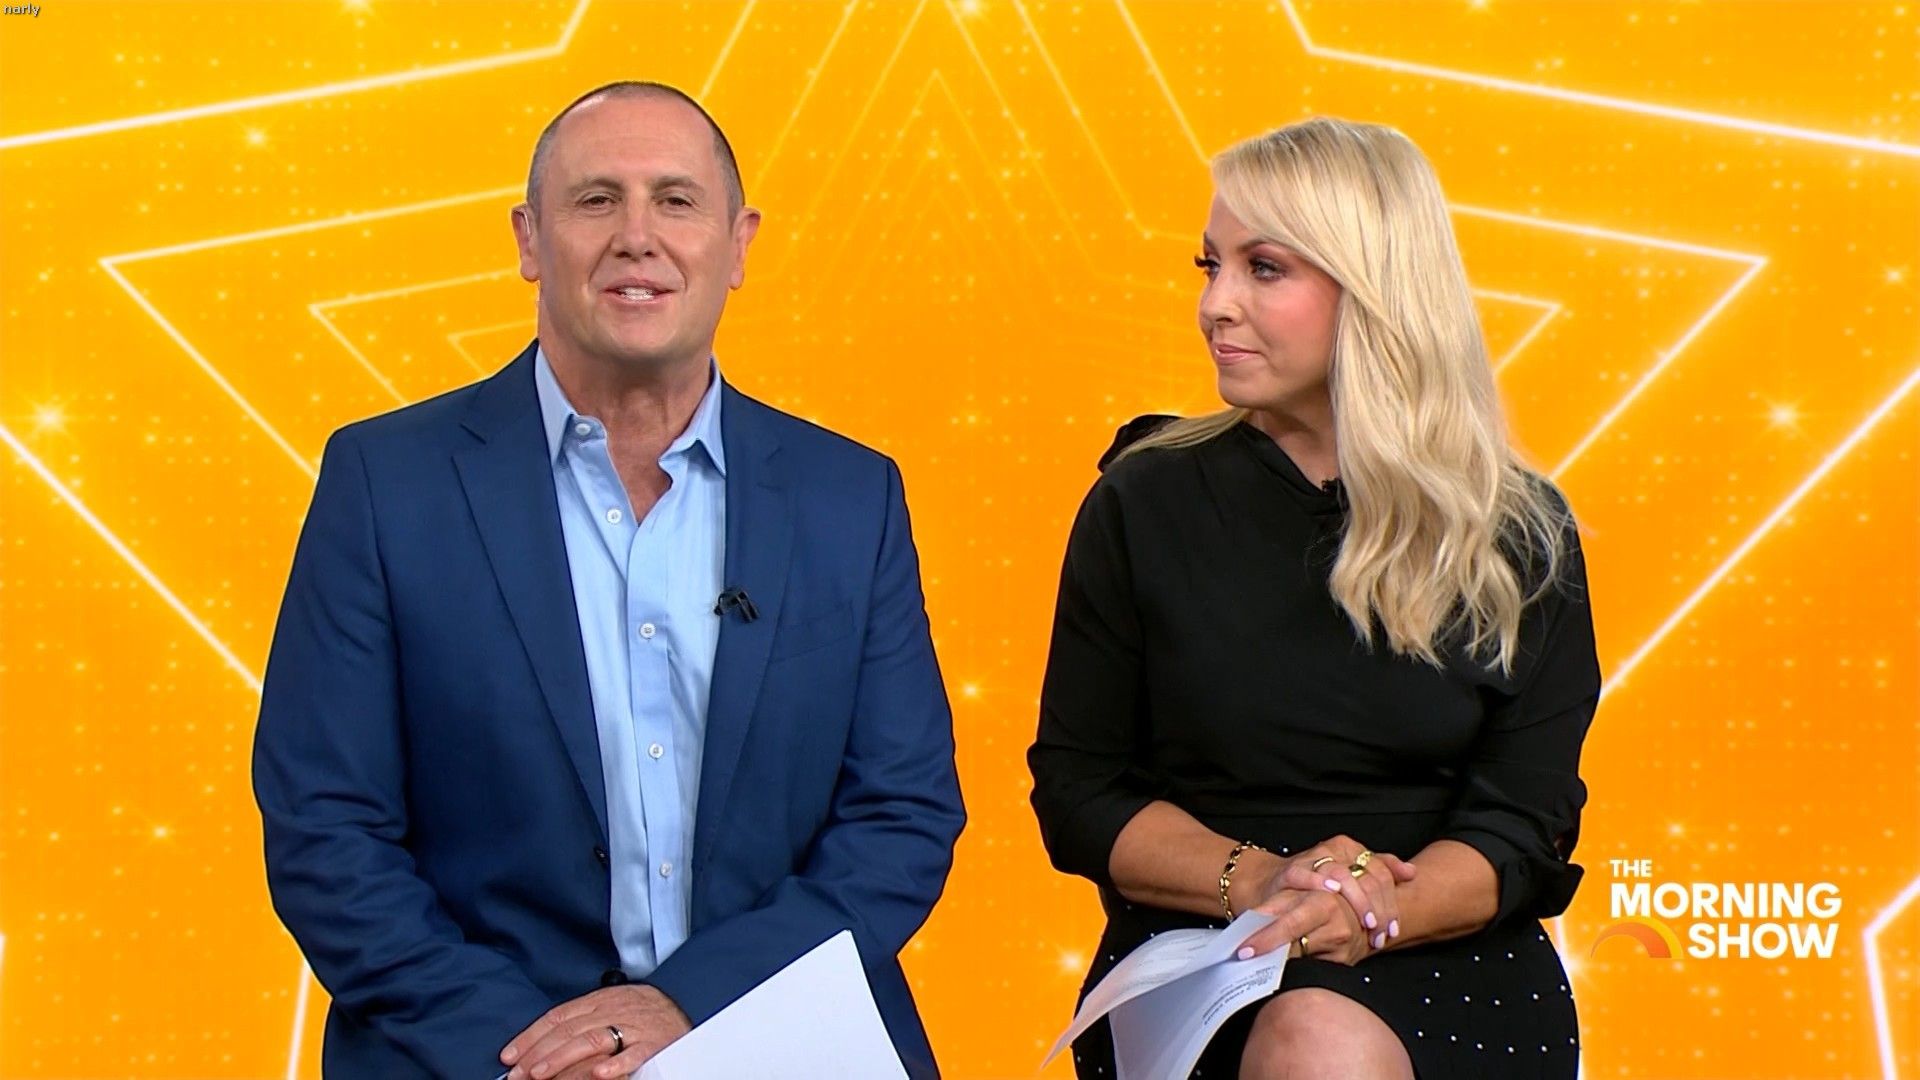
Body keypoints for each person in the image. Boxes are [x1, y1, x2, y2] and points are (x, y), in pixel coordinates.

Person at [252, 81, 964, 1080]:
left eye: (676, 201)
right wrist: (551, 1056)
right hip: (478, 1052)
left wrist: (689, 1007)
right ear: (529, 240)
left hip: (776, 1032)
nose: (638, 237)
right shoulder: (385, 482)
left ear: (739, 245)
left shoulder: (850, 495)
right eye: (596, 201)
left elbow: (902, 815)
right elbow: (327, 828)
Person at [1028, 116, 1601, 1080]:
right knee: (1310, 1037)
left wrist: (1371, 910)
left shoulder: (1517, 530)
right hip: (1208, 939)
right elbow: (1081, 792)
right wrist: (1264, 880)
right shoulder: (1144, 499)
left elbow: (1522, 824)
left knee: (1319, 1038)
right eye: (1210, 266)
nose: (1215, 305)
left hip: (1443, 946)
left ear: (1373, 287)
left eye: (1264, 269)